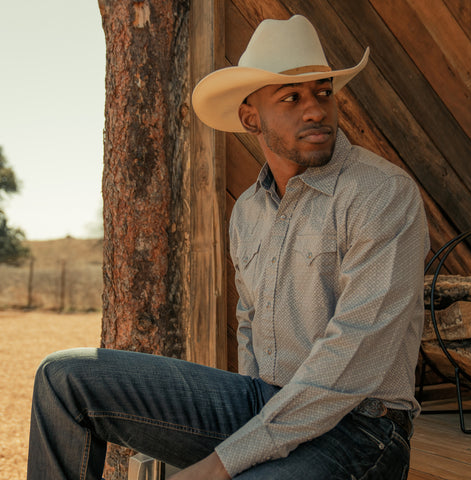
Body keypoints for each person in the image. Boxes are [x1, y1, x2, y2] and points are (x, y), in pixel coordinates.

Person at [27, 15, 429, 480]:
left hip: (361, 431)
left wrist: (222, 464)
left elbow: (355, 358)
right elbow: (250, 322)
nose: (316, 110)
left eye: (323, 92)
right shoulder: (249, 211)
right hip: (263, 403)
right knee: (63, 379)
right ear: (250, 117)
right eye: (292, 97)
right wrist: (247, 436)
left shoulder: (380, 193)